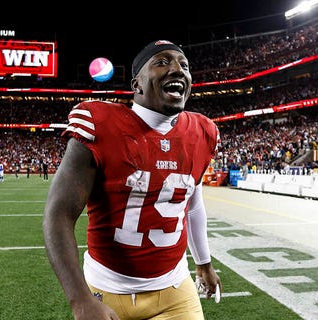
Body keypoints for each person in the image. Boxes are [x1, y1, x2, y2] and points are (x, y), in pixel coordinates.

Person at [43, 40, 221, 320]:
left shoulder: (202, 132)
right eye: (162, 62)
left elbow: (193, 206)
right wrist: (81, 301)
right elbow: (58, 215)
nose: (177, 69)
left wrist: (204, 263)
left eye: (184, 65)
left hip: (175, 288)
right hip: (107, 288)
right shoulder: (99, 124)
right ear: (136, 84)